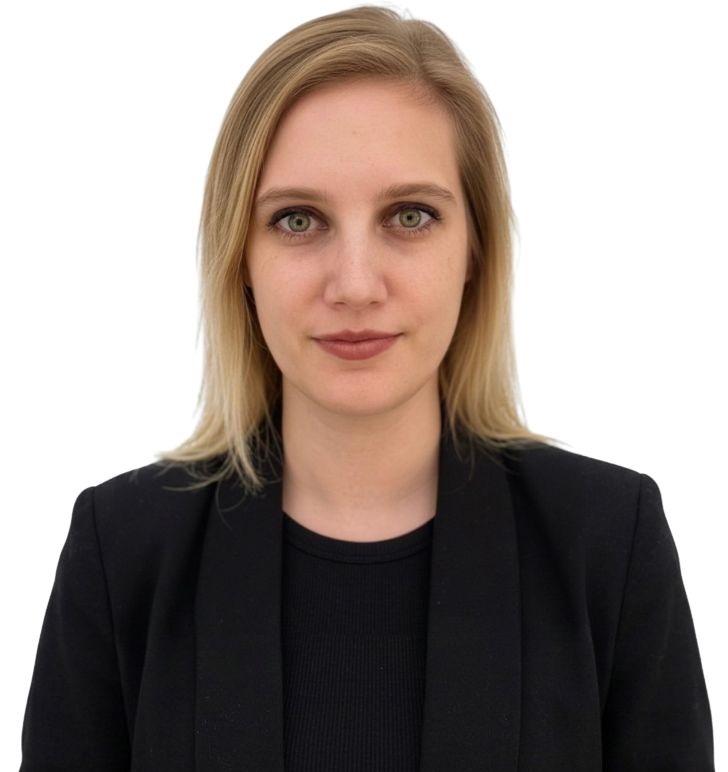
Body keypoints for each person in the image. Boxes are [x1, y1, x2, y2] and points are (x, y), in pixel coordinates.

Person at [20, 5, 714, 771]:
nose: (354, 285)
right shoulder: (122, 551)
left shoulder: (607, 543)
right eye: (298, 220)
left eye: (409, 215)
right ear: (239, 255)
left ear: (476, 248)